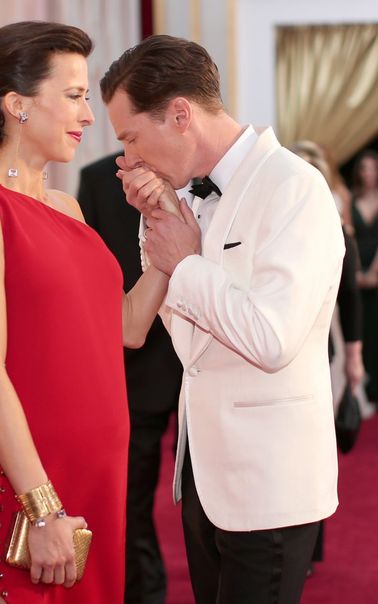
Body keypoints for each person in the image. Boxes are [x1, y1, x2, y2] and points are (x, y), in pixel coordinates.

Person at [0, 22, 176, 604]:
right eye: (74, 96)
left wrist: (168, 252)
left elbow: (126, 328)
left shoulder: (67, 207)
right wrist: (42, 507)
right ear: (17, 104)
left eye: (85, 97)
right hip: (29, 485)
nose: (89, 116)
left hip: (95, 475)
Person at [100, 35, 345, 604]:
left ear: (181, 114)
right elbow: (186, 339)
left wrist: (184, 262)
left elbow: (270, 338)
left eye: (132, 137)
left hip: (270, 480)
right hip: (202, 476)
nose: (128, 159)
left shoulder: (295, 188)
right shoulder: (185, 196)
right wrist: (158, 221)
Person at [77, 152, 183, 604]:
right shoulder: (97, 179)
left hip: (214, 368)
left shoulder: (195, 172)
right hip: (136, 371)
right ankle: (145, 592)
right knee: (133, 502)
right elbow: (92, 278)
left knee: (208, 507)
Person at [290, 140, 364, 573]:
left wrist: (353, 360)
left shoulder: (338, 233)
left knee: (313, 450)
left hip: (322, 356)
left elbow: (350, 301)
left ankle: (309, 545)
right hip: (274, 354)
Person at [351, 150, 378, 402]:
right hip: (360, 275)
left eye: (373, 168)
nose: (368, 173)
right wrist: (359, 273)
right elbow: (351, 239)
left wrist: (374, 273)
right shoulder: (352, 200)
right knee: (365, 329)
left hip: (377, 271)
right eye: (364, 169)